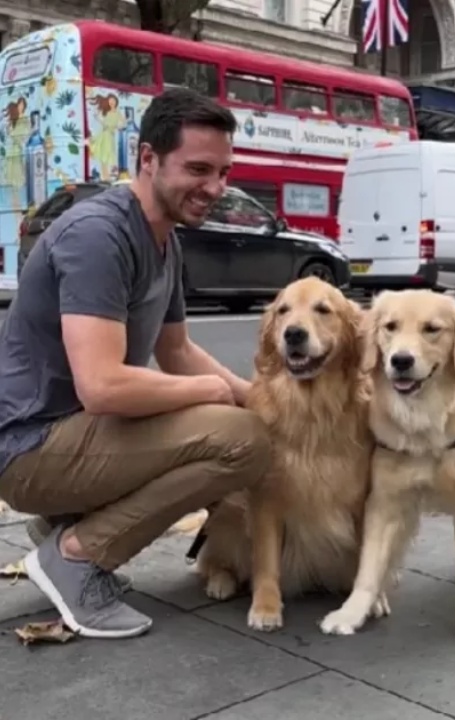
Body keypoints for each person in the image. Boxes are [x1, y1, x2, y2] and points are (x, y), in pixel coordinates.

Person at [0, 87, 272, 639]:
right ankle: (76, 553)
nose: (215, 188)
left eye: (223, 171)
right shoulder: (100, 236)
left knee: (252, 419)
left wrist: (265, 399)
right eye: (198, 168)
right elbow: (102, 386)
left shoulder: (163, 240)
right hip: (29, 447)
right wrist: (216, 397)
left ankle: (64, 523)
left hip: (77, 436)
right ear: (147, 159)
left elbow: (177, 352)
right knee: (243, 440)